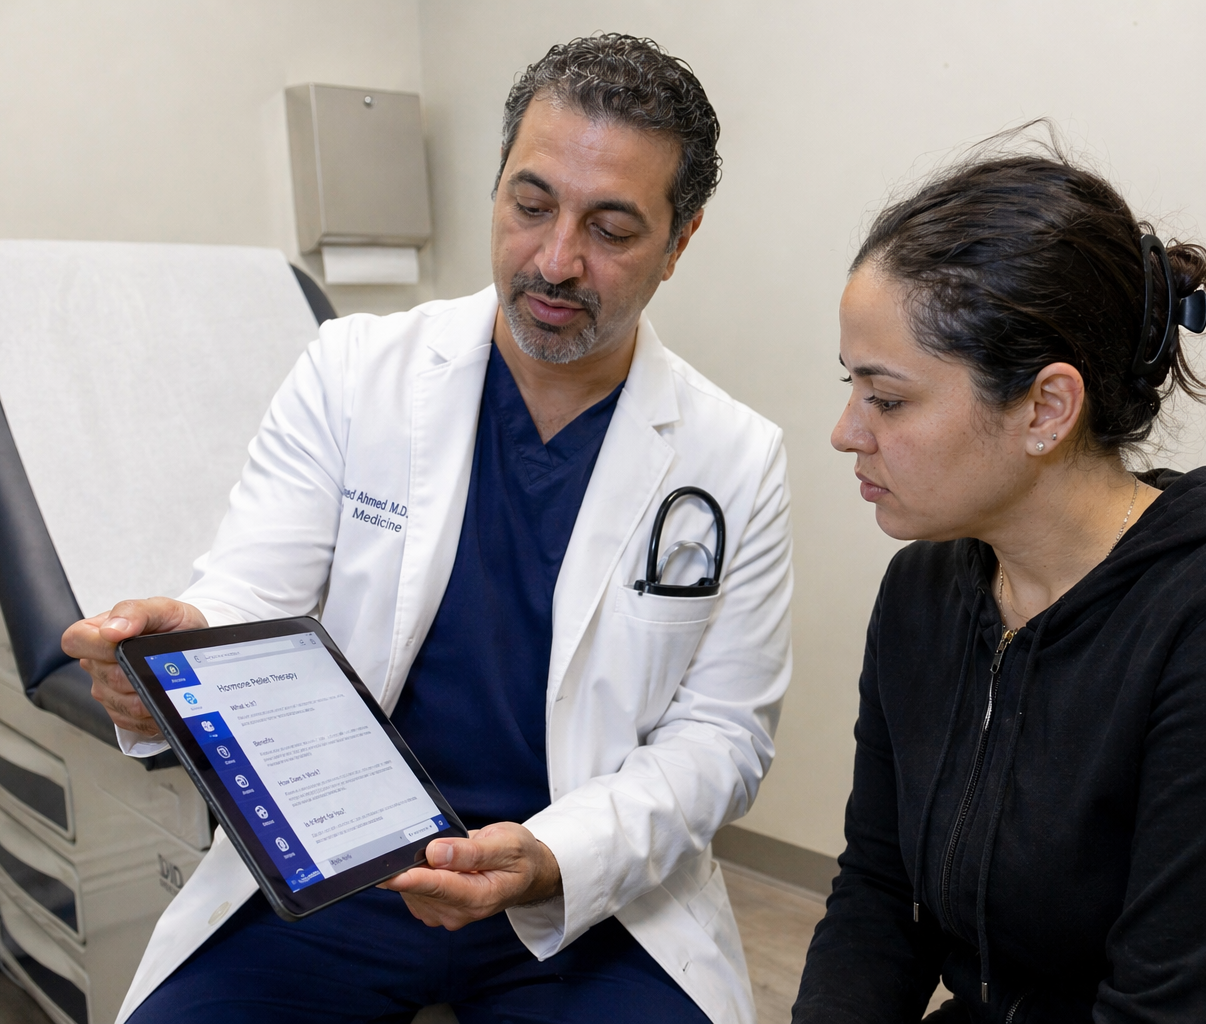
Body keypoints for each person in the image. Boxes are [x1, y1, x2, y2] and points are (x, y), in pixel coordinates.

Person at [62, 34, 792, 1024]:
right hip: (340, 867)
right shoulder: (354, 371)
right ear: (496, 189)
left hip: (584, 892)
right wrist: (171, 651)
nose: (555, 259)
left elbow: (721, 739)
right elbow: (250, 595)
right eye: (530, 205)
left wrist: (546, 860)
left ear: (681, 239)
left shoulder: (733, 457)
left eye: (612, 227)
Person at [793, 143, 1206, 1023]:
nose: (846, 432)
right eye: (852, 387)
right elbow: (881, 893)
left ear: (1045, 409)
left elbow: (1182, 1010)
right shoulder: (925, 593)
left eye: (888, 399)